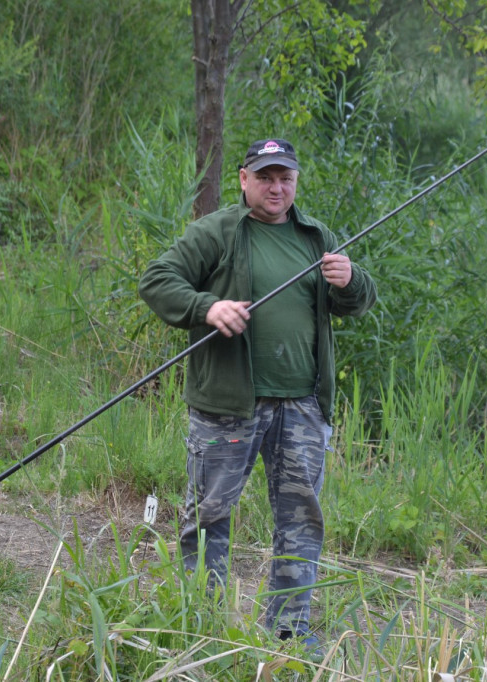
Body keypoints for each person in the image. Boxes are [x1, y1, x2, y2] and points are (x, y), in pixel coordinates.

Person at [138, 138, 378, 644]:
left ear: (295, 181)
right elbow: (158, 279)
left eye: (284, 177)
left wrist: (351, 279)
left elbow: (357, 302)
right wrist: (207, 307)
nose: (276, 186)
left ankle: (288, 635)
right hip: (227, 406)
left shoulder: (316, 237)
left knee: (301, 521)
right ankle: (199, 628)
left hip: (304, 407)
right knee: (208, 516)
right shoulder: (219, 231)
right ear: (244, 179)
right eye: (265, 177)